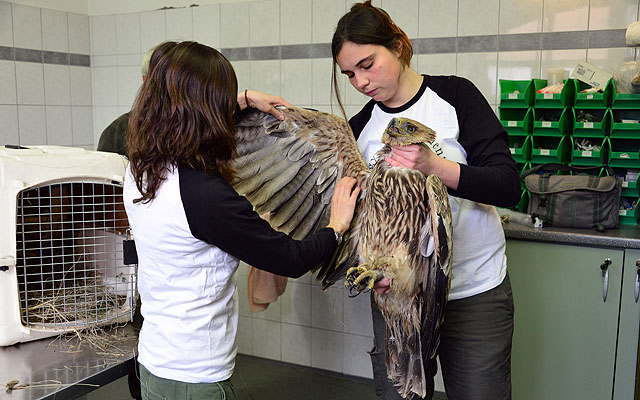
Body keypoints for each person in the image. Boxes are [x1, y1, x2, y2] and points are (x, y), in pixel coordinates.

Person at [123, 40, 360, 400]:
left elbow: (182, 114)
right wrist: (337, 227)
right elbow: (288, 258)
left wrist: (245, 98)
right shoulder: (205, 197)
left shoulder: (140, 169)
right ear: (206, 111)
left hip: (154, 362)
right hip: (197, 378)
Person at [331, 2, 521, 399]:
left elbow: (508, 185)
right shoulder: (361, 128)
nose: (360, 81)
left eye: (367, 64)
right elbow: (358, 218)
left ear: (398, 47)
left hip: (472, 293)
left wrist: (435, 166)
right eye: (349, 74)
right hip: (398, 295)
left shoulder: (455, 97)